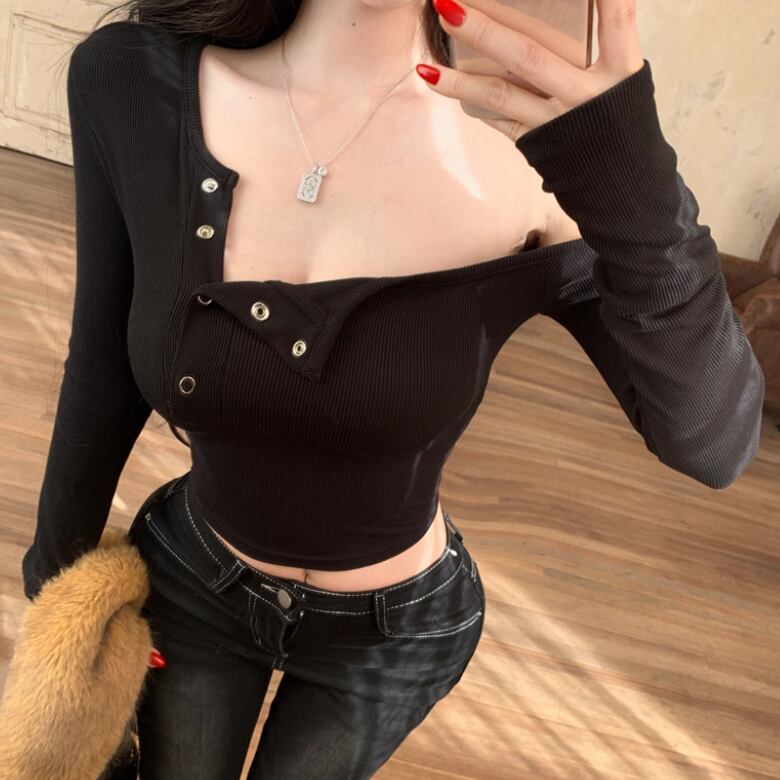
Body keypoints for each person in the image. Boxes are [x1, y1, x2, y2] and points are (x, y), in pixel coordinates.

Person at [20, 0, 764, 777]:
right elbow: (101, 371)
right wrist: (58, 611)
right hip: (192, 584)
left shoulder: (536, 161)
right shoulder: (132, 81)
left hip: (390, 636)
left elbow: (710, 441)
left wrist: (631, 173)